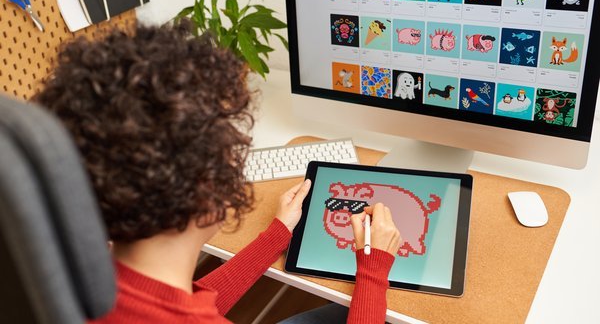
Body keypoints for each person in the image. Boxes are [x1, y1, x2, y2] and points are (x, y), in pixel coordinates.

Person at [34, 23, 401, 324]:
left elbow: (182, 306)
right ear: (207, 184)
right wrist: (373, 267)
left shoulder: (73, 283)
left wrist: (276, 235)